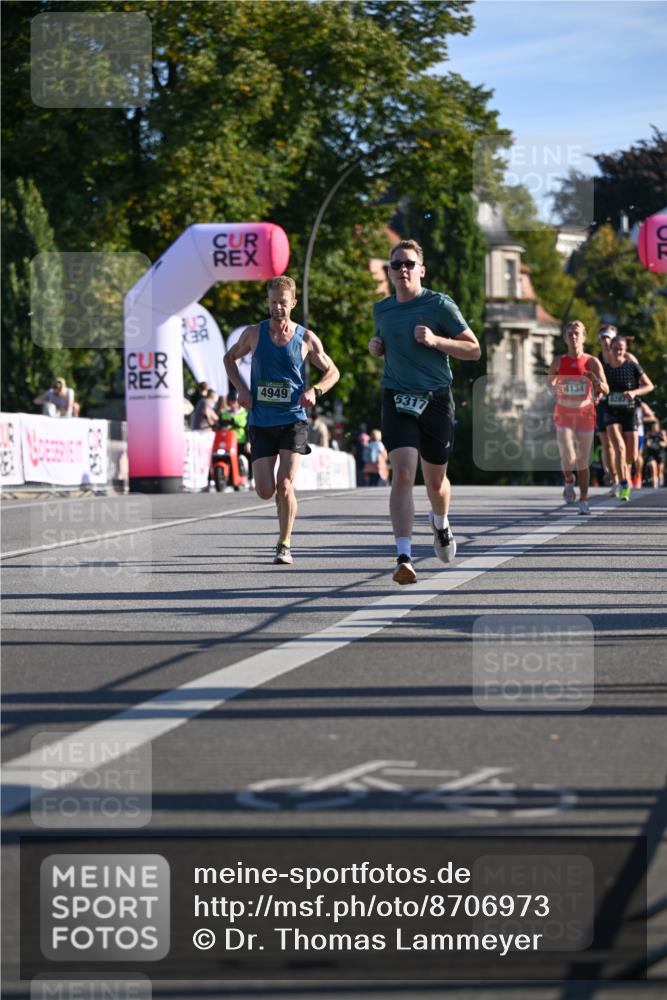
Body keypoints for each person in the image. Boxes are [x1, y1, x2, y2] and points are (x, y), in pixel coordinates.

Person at [368, 239, 481, 584]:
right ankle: (404, 555)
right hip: (397, 397)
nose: (402, 270)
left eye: (408, 264)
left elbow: (473, 350)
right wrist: (376, 347)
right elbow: (383, 341)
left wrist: (436, 341)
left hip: (435, 399)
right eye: (396, 264)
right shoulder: (382, 309)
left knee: (436, 482)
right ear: (389, 271)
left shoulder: (439, 305)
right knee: (403, 473)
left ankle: (441, 522)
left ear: (421, 269)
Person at [224, 275, 339, 564]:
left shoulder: (306, 338)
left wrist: (316, 390)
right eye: (273, 302)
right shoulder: (253, 334)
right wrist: (241, 389)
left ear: (293, 303)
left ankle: (284, 543)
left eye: (283, 303)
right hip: (261, 420)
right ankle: (281, 522)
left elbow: (333, 372)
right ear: (267, 302)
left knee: (285, 484)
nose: (277, 308)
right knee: (265, 491)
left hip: (293, 420)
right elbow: (229, 359)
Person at [547, 320, 608, 515]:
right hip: (564, 412)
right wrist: (555, 384)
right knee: (568, 455)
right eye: (570, 333)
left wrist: (596, 381)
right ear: (565, 337)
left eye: (577, 333)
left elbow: (606, 389)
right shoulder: (558, 361)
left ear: (584, 337)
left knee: (582, 459)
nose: (573, 336)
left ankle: (583, 498)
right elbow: (549, 385)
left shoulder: (592, 362)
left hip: (585, 413)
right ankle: (568, 480)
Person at [602, 336, 654, 501]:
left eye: (621, 349)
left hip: (629, 412)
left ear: (625, 350)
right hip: (611, 412)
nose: (618, 352)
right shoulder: (605, 369)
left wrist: (634, 392)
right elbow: (599, 388)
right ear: (610, 350)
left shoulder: (632, 366)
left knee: (632, 455)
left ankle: (625, 472)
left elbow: (649, 385)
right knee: (619, 448)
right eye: (615, 348)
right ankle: (624, 484)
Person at [219, 387, 251, 484]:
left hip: (241, 441)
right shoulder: (224, 414)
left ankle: (251, 479)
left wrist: (248, 442)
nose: (233, 405)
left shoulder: (245, 413)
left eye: (235, 402)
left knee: (251, 458)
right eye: (231, 402)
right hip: (228, 443)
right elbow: (219, 425)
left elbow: (248, 428)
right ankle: (214, 480)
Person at [644, 418, 666, 488]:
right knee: (653, 469)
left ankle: (660, 483)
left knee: (660, 471)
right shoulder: (649, 434)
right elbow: (647, 444)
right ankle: (655, 486)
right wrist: (650, 443)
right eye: (653, 425)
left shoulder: (662, 433)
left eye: (656, 425)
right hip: (652, 453)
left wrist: (660, 443)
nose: (654, 427)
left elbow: (665, 443)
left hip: (660, 453)